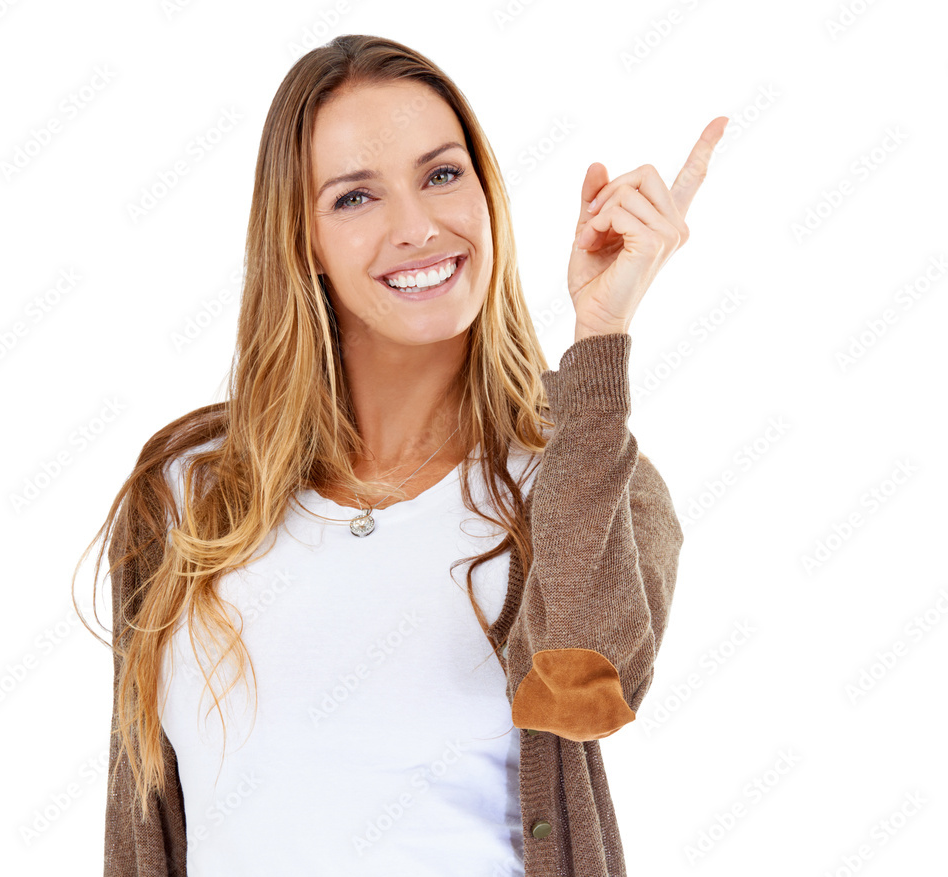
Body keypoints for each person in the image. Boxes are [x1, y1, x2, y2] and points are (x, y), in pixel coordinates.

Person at [74, 33, 724, 877]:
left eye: (442, 175)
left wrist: (599, 338)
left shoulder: (582, 472)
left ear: (487, 193)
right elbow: (142, 830)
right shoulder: (187, 492)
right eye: (354, 197)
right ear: (299, 237)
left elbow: (581, 689)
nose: (417, 226)